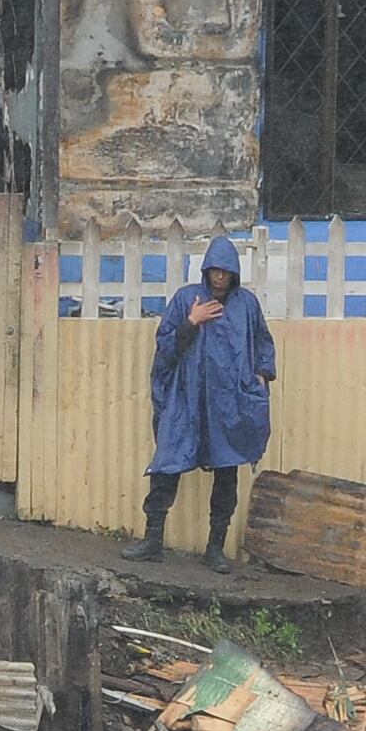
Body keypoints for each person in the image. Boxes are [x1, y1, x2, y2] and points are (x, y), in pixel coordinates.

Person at [129, 240, 275, 564]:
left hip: (228, 403)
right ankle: (152, 540)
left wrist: (262, 374)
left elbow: (263, 341)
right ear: (206, 270)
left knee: (226, 471)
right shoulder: (186, 299)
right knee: (168, 463)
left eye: (225, 271)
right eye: (215, 270)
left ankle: (215, 549)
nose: (220, 277)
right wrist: (191, 321)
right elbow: (166, 348)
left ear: (234, 273)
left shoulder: (246, 305)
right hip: (187, 397)